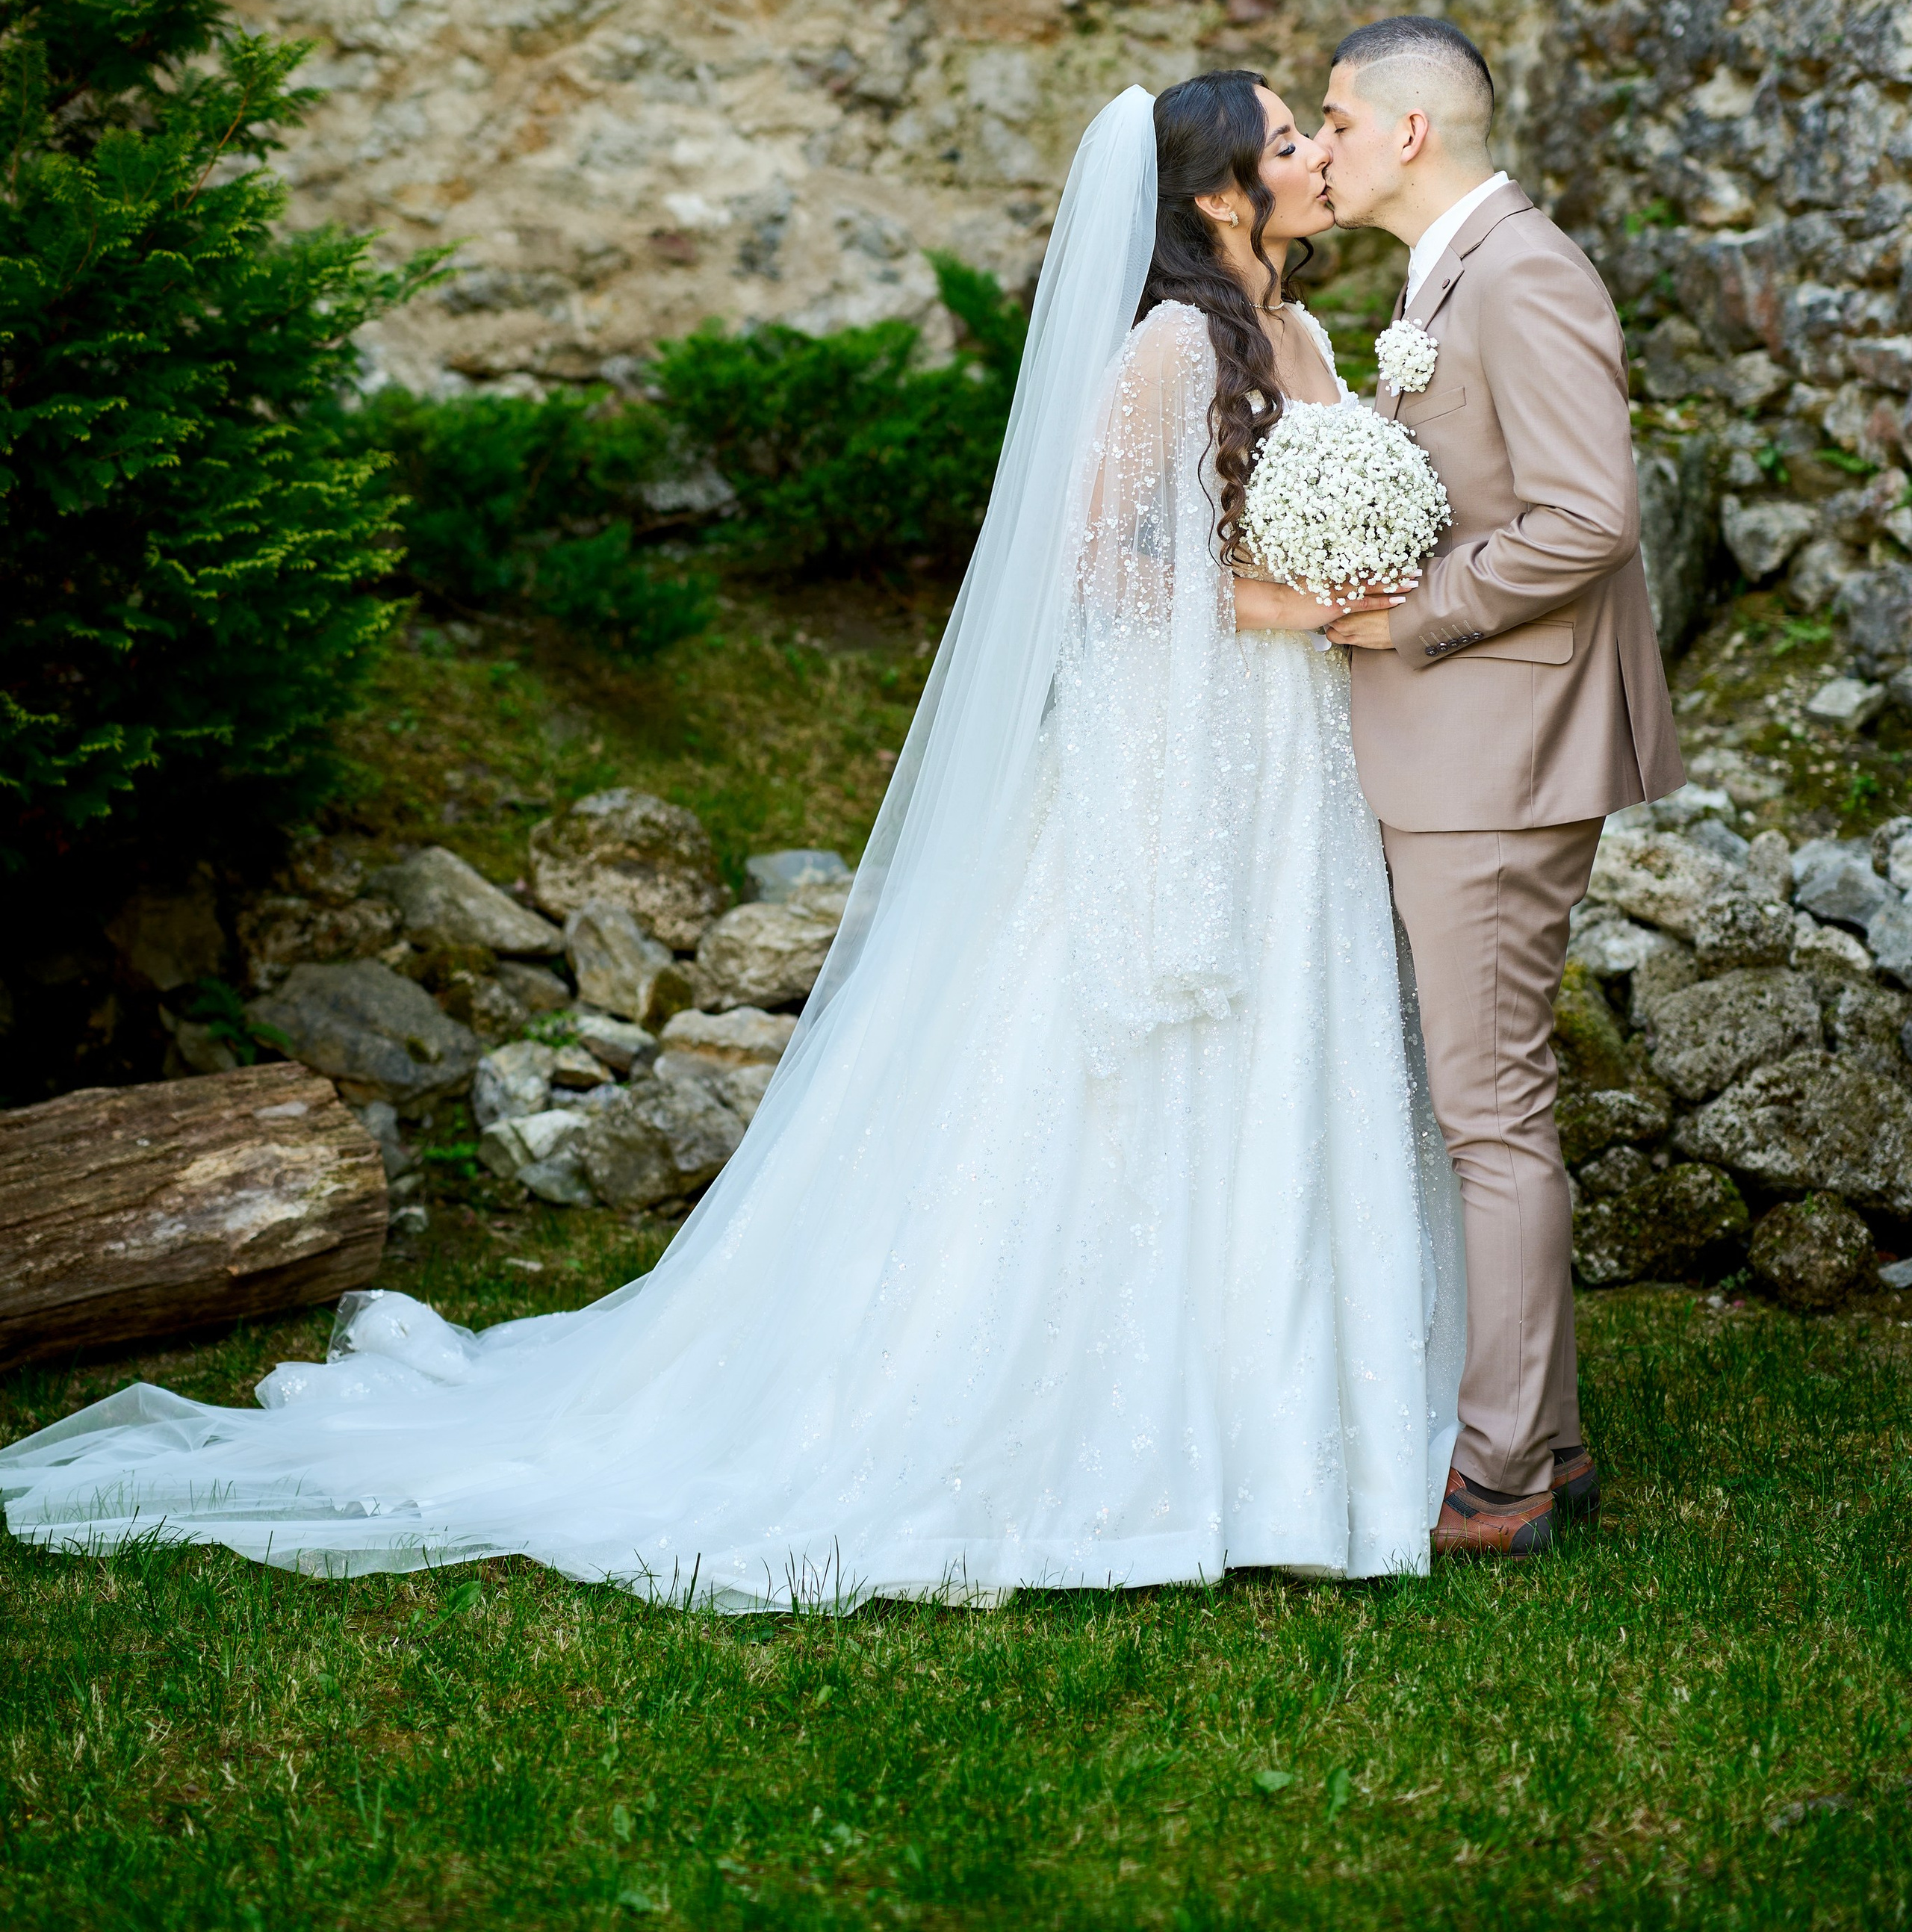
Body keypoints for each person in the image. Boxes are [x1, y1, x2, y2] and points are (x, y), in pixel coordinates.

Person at [3, 78, 1462, 1601]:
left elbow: (1255, 524)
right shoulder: (1168, 345)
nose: (1312, 158)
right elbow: (1097, 568)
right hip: (1189, 748)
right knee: (1135, 1068)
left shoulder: (1292, 337)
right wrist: (1292, 606)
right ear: (1221, 191)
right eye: (1288, 140)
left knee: (1288, 1045)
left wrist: (1347, 571)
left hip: (1288, 752)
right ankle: (1127, 1434)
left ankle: (1298, 1428)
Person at [1319, 16, 1683, 1559]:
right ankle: (1548, 1436)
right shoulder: (1448, 272)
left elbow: (1585, 517)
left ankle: (1503, 1472)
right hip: (1460, 744)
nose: (1317, 145)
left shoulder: (1521, 272)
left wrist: (1415, 612)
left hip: (1497, 750)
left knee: (1489, 1115)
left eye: (1332, 119)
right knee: (1484, 1106)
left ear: (1408, 132)